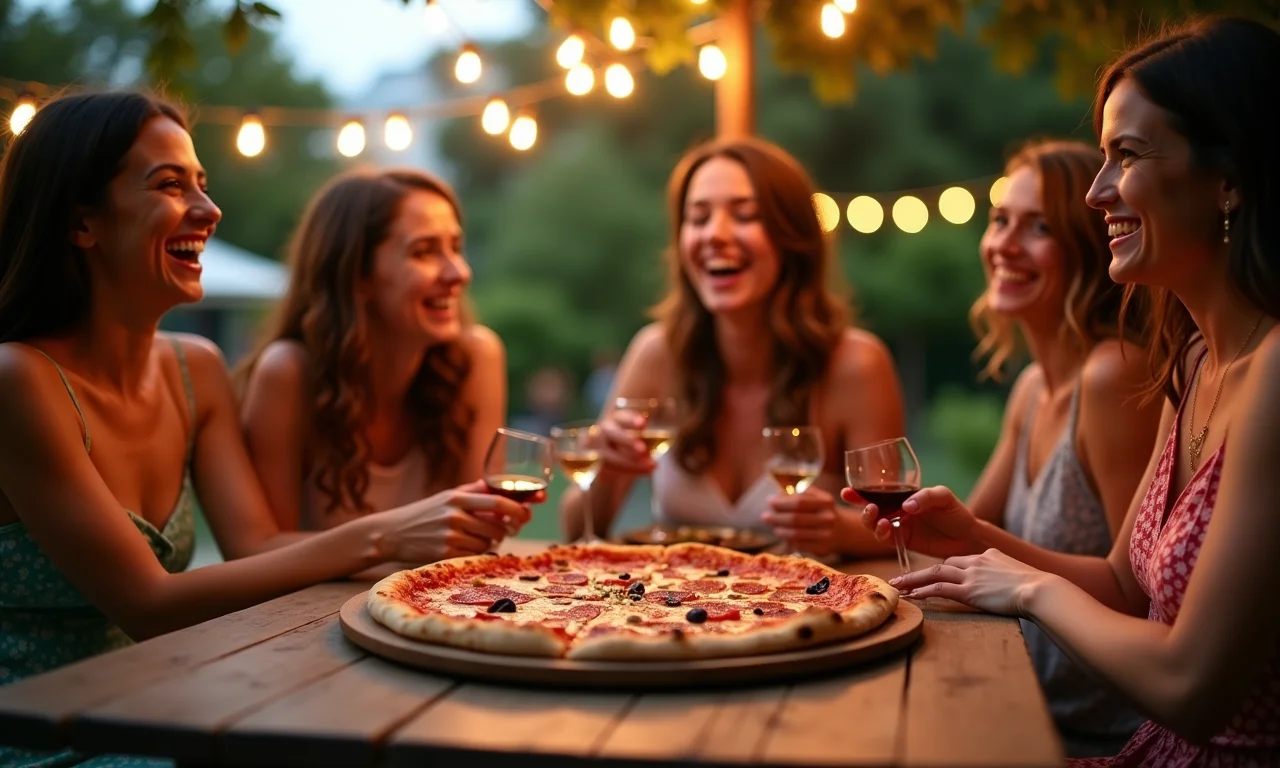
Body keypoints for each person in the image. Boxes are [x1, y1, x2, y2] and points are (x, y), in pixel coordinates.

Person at [0, 91, 533, 767]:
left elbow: (252, 547)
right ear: (82, 222)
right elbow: (148, 605)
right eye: (169, 184)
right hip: (45, 736)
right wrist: (389, 534)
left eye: (203, 183)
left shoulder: (197, 369)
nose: (209, 209)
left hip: (161, 704)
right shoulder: (18, 379)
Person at [849, 17, 1280, 765]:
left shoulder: (1273, 371)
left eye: (1128, 156)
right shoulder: (1194, 360)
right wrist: (978, 540)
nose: (1097, 191)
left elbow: (1195, 688)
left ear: (1230, 178)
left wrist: (1029, 590)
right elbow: (1121, 583)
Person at [562, 137, 904, 557]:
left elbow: (899, 529)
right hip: (672, 615)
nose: (716, 235)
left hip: (812, 612)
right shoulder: (656, 353)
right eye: (698, 217)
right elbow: (575, 529)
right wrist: (606, 472)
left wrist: (841, 530)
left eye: (745, 215)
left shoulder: (856, 365)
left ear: (792, 236)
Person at [959, 139, 1159, 756]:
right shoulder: (1029, 389)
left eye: (1039, 227)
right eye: (1000, 221)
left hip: (1103, 736)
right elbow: (966, 524)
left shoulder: (1112, 376)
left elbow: (1141, 596)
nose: (1005, 245)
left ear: (1087, 245)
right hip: (1026, 702)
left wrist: (968, 538)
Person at [237, 167, 506, 535]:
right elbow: (264, 555)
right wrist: (392, 542)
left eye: (455, 248)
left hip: (438, 594)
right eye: (424, 251)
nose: (459, 272)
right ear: (357, 275)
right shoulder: (289, 373)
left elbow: (477, 535)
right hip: (315, 597)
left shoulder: (476, 359)